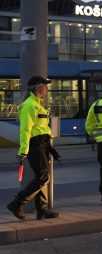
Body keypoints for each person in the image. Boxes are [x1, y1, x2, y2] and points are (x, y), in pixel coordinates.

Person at [6, 76, 60, 220]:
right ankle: (16, 203)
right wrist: (23, 150)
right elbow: (25, 130)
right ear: (37, 88)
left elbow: (42, 128)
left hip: (42, 145)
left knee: (41, 177)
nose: (47, 89)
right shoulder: (29, 105)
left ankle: (41, 210)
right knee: (43, 177)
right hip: (35, 145)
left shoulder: (38, 104)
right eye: (45, 86)